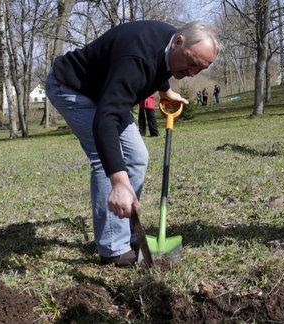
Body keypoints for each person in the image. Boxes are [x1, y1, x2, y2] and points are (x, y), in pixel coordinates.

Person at [46, 21, 219, 267]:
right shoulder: (136, 59)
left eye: (200, 68)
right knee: (104, 160)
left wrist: (164, 90)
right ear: (179, 41)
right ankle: (113, 248)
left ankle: (125, 232)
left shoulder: (170, 45)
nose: (192, 72)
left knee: (137, 156)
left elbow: (160, 63)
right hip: (74, 89)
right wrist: (118, 181)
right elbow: (105, 120)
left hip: (104, 92)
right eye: (192, 63)